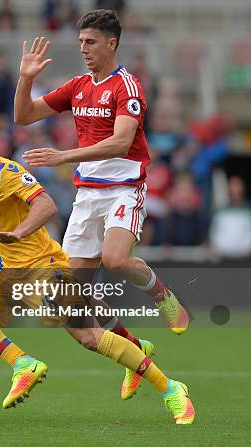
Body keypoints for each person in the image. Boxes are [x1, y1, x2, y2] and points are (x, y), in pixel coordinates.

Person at [0, 119, 194, 424]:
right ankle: (23, 363)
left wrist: (19, 233)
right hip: (11, 275)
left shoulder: (6, 174)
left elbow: (46, 206)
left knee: (89, 337)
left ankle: (171, 389)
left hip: (45, 269)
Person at [14, 10, 189, 398]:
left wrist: (64, 156)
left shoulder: (127, 86)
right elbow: (23, 116)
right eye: (80, 43)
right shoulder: (77, 86)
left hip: (124, 188)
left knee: (115, 259)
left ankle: (162, 295)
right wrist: (25, 78)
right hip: (87, 195)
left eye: (91, 42)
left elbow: (121, 143)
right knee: (74, 298)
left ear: (112, 43)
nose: (84, 49)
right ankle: (136, 349)